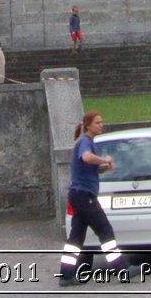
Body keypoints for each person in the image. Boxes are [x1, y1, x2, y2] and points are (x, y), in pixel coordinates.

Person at [57, 111, 126, 286]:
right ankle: (122, 269)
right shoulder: (84, 142)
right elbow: (86, 158)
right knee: (105, 230)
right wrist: (104, 159)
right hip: (84, 196)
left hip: (80, 195)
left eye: (101, 122)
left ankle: (66, 276)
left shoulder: (90, 143)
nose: (101, 125)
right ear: (88, 125)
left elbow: (89, 166)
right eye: (97, 122)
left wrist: (103, 167)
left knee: (75, 239)